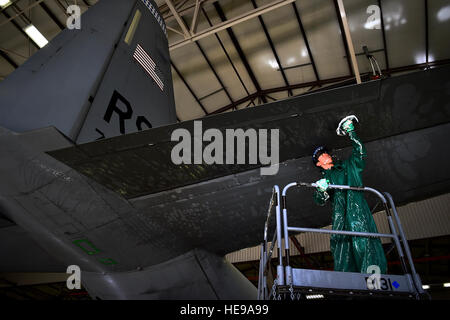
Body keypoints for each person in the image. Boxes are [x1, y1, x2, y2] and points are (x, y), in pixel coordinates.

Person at [312, 116, 387, 274]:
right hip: (340, 217)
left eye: (326, 152)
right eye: (321, 154)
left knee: (364, 243)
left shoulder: (348, 166)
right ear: (319, 163)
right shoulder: (324, 180)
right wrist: (321, 190)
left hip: (358, 209)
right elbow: (319, 201)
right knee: (342, 249)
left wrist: (351, 132)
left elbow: (360, 153)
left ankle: (374, 279)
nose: (326, 154)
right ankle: (349, 285)